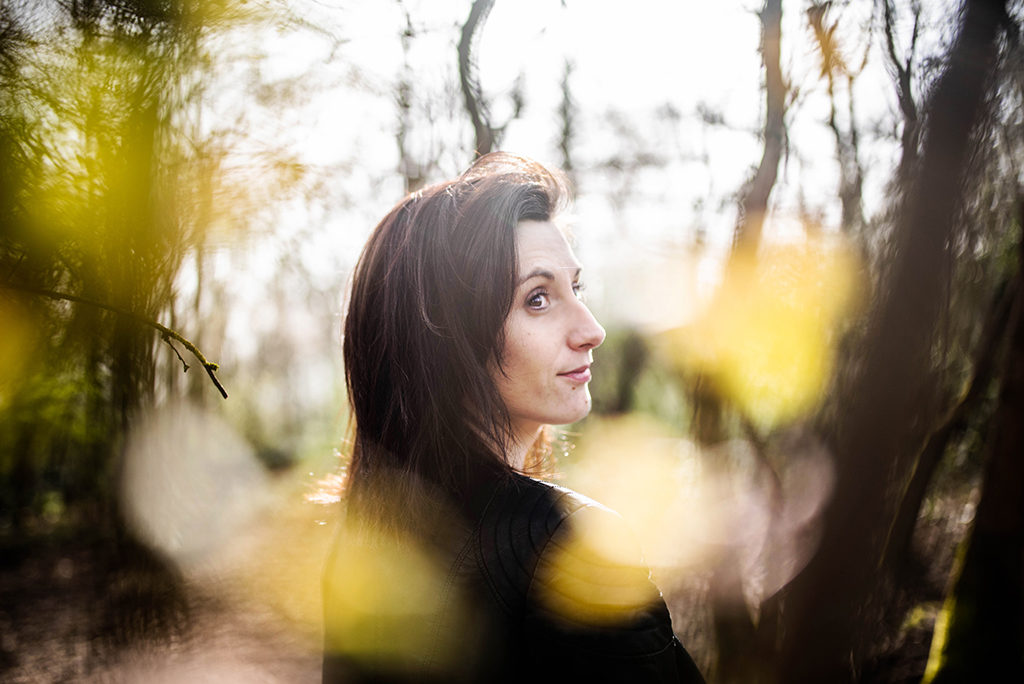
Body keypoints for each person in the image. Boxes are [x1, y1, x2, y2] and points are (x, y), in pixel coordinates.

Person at [323, 152, 704, 683]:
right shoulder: (567, 546)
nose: (590, 329)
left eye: (577, 288)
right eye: (538, 298)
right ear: (448, 343)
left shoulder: (364, 547)